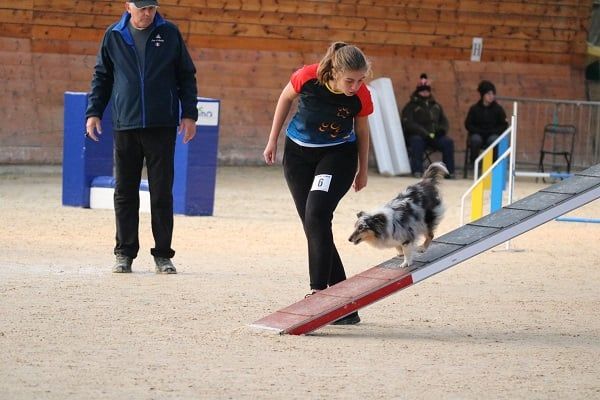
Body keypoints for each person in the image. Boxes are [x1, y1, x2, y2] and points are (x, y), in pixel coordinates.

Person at [263, 42, 373, 325]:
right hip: (298, 155)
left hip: (337, 156)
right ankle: (346, 307)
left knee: (317, 214)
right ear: (334, 72)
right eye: (350, 80)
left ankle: (318, 292)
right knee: (314, 224)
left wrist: (363, 169)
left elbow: (362, 129)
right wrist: (273, 139)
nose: (355, 86)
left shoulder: (361, 96)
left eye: (360, 80)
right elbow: (285, 98)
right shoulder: (308, 76)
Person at [85, 0, 198, 274]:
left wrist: (189, 114)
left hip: (162, 125)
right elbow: (102, 76)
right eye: (142, 8)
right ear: (128, 7)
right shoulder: (113, 35)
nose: (148, 14)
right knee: (124, 191)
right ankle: (124, 253)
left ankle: (163, 255)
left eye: (152, 8)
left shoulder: (169, 33)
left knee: (161, 192)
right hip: (125, 124)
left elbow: (186, 76)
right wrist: (94, 112)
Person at [401, 73, 455, 178]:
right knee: (416, 142)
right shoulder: (410, 106)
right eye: (422, 90)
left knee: (448, 142)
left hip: (435, 136)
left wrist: (441, 130)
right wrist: (424, 133)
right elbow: (408, 124)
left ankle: (449, 172)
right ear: (418, 91)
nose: (425, 92)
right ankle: (417, 171)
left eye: (427, 90)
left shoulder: (436, 106)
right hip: (419, 136)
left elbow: (444, 121)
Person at [464, 80, 508, 167]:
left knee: (494, 140)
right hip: (478, 133)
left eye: (493, 94)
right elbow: (468, 124)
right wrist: (477, 131)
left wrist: (494, 131)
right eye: (489, 94)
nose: (491, 96)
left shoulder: (498, 109)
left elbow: (504, 125)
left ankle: (493, 165)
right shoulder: (474, 109)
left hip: (492, 134)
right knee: (475, 140)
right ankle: (474, 163)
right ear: (483, 95)